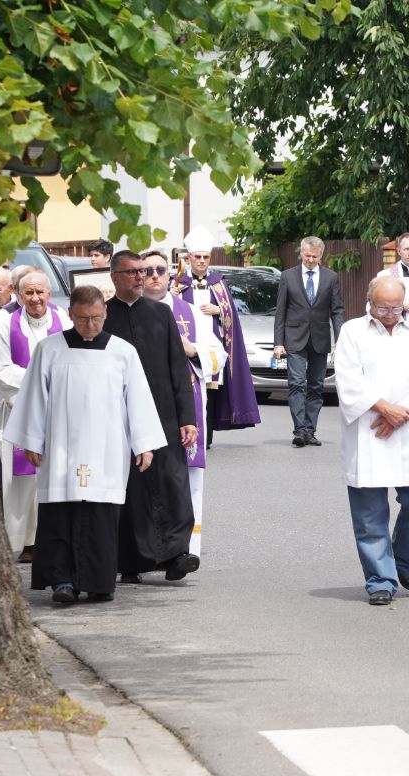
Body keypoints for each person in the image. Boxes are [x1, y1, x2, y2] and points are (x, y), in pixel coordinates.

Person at [5, 286, 167, 605]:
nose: (90, 325)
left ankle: (99, 582)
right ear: (70, 315)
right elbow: (35, 397)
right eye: (82, 319)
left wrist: (144, 444)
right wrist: (32, 441)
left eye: (95, 318)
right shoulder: (49, 350)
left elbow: (138, 399)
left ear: (105, 314)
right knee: (60, 513)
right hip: (59, 447)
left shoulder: (122, 352)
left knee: (101, 515)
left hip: (106, 449)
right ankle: (61, 581)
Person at [334, 275, 409, 606]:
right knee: (369, 513)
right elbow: (348, 378)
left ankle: (402, 561)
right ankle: (380, 579)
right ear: (369, 302)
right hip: (369, 429)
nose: (390, 313)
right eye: (383, 307)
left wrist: (401, 412)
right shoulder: (352, 331)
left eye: (395, 307)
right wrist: (383, 408)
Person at [103, 250, 200, 584]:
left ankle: (177, 554)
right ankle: (130, 561)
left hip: (164, 415)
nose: (139, 277)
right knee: (132, 491)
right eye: (131, 272)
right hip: (120, 416)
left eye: (142, 272)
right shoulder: (103, 316)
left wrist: (188, 417)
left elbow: (178, 367)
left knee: (172, 483)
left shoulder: (161, 314)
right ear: (114, 276)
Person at [143, 249, 228, 558]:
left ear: (171, 275)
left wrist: (191, 349)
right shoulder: (129, 310)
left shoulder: (189, 312)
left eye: (160, 270)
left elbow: (219, 354)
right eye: (147, 269)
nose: (154, 275)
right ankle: (142, 551)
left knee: (185, 479)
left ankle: (183, 551)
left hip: (181, 407)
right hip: (143, 406)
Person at [0, 270, 66, 560]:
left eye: (40, 292)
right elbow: (0, 369)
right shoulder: (2, 322)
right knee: (21, 482)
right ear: (18, 295)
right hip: (19, 412)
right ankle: (20, 541)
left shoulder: (64, 320)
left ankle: (47, 539)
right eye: (28, 293)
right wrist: (42, 381)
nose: (35, 299)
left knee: (52, 478)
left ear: (49, 293)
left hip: (59, 413)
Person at [176, 226, 261, 446]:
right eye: (198, 257)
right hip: (187, 344)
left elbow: (231, 313)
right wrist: (171, 296)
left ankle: (207, 437)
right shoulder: (178, 284)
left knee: (211, 390)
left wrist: (219, 311)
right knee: (189, 388)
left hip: (211, 346)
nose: (202, 261)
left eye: (205, 257)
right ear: (190, 258)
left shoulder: (218, 283)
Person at [274, 236, 345, 447]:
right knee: (296, 384)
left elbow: (337, 311)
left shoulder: (331, 278)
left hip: (320, 339)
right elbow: (281, 312)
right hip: (294, 338)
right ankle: (299, 430)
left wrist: (341, 340)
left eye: (315, 256)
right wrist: (278, 343)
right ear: (301, 253)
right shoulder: (288, 276)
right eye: (307, 256)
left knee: (316, 386)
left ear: (321, 255)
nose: (311, 260)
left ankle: (310, 429)